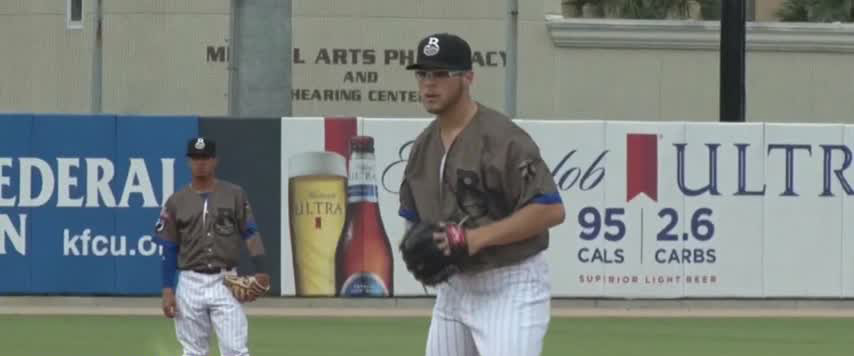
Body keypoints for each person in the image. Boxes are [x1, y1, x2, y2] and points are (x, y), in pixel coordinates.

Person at [398, 33, 566, 356]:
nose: (429, 84)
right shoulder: (422, 147)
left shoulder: (503, 138)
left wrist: (474, 238)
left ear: (468, 78)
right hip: (455, 288)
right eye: (423, 74)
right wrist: (419, 247)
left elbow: (550, 209)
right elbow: (414, 220)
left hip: (510, 284)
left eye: (441, 74)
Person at [154, 137, 270, 356]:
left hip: (225, 281)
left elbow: (251, 233)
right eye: (196, 158)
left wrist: (261, 269)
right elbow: (168, 247)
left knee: (236, 349)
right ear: (188, 161)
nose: (201, 163)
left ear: (215, 160)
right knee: (193, 351)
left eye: (205, 158)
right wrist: (167, 289)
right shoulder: (176, 201)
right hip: (189, 281)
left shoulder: (235, 194)